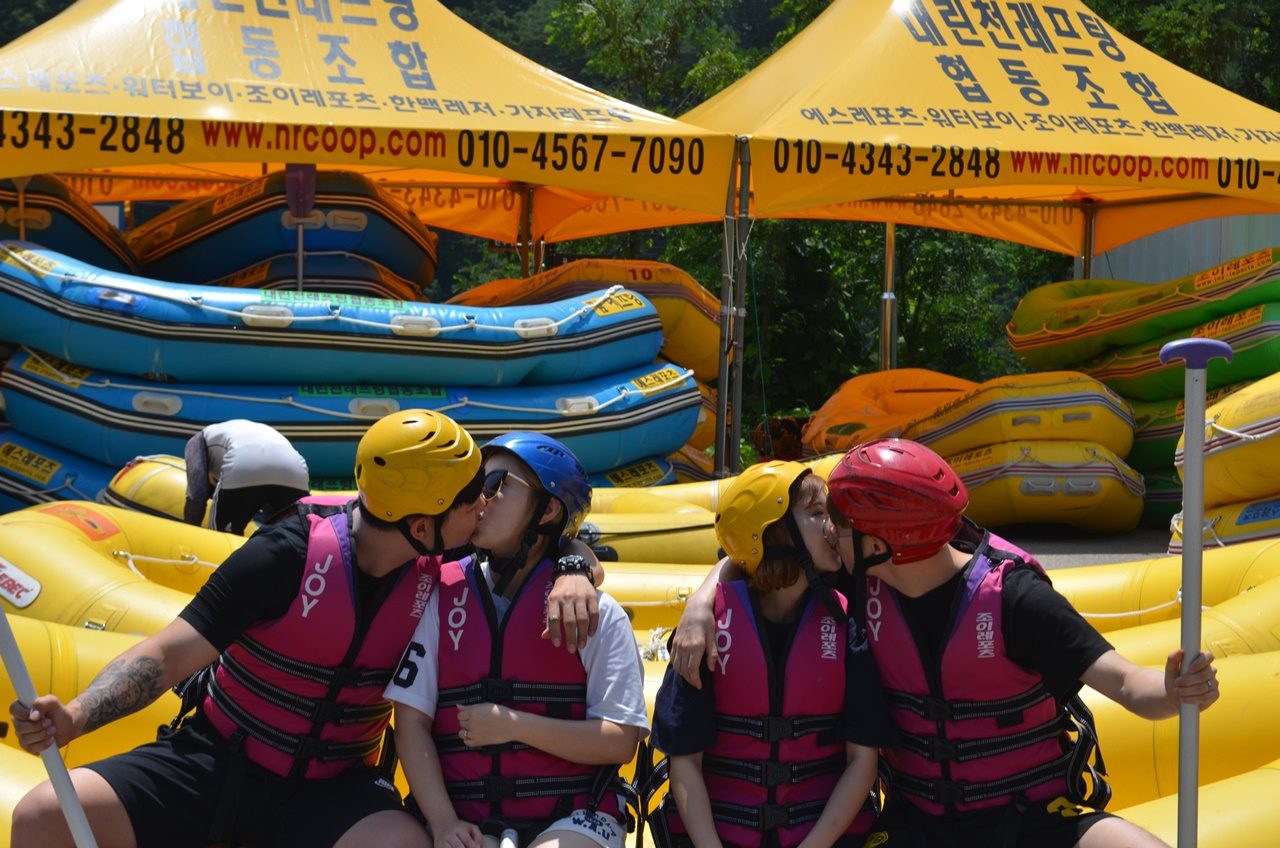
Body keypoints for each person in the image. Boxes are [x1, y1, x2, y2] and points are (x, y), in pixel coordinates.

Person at [9, 411, 601, 848]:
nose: (484, 507)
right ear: (422, 526)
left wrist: (573, 567)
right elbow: (167, 656)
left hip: (334, 787)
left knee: (402, 844)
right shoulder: (285, 553)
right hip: (217, 762)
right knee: (42, 816)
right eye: (472, 497)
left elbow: (566, 545)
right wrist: (77, 716)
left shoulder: (448, 552)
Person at [669, 440, 1221, 848]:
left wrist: (1174, 690)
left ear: (882, 544)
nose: (833, 532)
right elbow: (758, 554)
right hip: (918, 827)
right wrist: (700, 602)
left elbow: (1127, 682)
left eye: (844, 522)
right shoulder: (860, 581)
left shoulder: (1016, 600)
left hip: (1033, 819)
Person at [387, 432, 649, 848]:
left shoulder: (600, 614)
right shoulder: (440, 594)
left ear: (548, 510)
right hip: (462, 816)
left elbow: (619, 741)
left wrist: (512, 725)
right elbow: (411, 722)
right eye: (478, 486)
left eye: (497, 485)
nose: (481, 499)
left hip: (575, 815)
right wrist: (444, 823)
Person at [649, 461, 893, 848]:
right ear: (775, 532)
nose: (832, 526)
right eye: (818, 513)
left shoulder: (847, 623)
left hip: (820, 837)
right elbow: (685, 760)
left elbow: (862, 760)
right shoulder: (707, 630)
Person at [183, 419, 311, 534]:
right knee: (289, 534)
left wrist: (190, 532)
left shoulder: (197, 440)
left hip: (244, 461)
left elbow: (196, 495)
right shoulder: (237, 431)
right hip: (295, 468)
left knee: (220, 536)